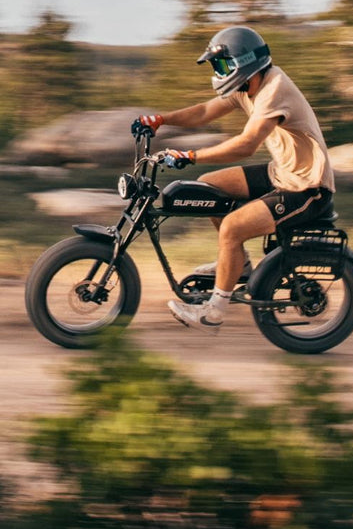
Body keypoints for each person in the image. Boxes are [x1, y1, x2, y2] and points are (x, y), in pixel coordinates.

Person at [132, 26, 335, 335]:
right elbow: (203, 112)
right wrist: (160, 120)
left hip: (307, 188)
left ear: (243, 62)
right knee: (209, 186)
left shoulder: (273, 89)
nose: (219, 71)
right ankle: (238, 267)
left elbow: (246, 145)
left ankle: (214, 311)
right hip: (282, 173)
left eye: (222, 64)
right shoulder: (249, 86)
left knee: (232, 228)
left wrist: (190, 155)